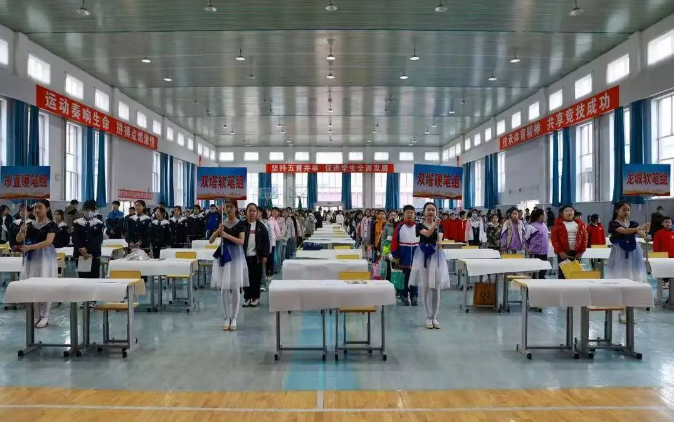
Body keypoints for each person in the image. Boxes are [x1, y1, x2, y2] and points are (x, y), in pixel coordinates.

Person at [16, 199, 57, 328]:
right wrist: (21, 231)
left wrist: (30, 247)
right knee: (33, 284)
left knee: (46, 284)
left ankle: (45, 315)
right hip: (31, 258)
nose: (37, 210)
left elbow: (48, 242)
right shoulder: (29, 224)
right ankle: (36, 314)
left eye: (40, 207)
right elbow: (18, 239)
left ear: (47, 209)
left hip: (46, 257)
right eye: (35, 208)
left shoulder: (51, 225)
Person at [606, 201, 649, 322]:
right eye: (624, 209)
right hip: (619, 253)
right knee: (620, 278)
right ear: (617, 210)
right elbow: (625, 231)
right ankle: (621, 310)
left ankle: (630, 308)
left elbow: (639, 232)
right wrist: (639, 228)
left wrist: (645, 236)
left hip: (634, 253)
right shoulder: (613, 223)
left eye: (628, 210)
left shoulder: (633, 223)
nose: (626, 212)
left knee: (633, 278)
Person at [409, 202, 449, 328]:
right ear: (424, 212)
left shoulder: (440, 226)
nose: (431, 212)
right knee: (425, 287)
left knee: (436, 287)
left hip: (436, 256)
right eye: (428, 210)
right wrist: (434, 226)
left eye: (433, 210)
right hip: (423, 257)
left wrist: (440, 242)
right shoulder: (419, 225)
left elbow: (440, 238)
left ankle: (434, 317)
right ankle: (428, 316)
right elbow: (426, 234)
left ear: (436, 212)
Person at [209, 199, 246, 331]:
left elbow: (241, 241)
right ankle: (226, 317)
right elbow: (211, 241)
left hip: (235, 256)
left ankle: (234, 317)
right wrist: (217, 231)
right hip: (223, 256)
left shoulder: (240, 224)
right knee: (224, 288)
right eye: (226, 207)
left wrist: (226, 235)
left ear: (235, 208)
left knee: (235, 287)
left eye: (230, 207)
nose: (228, 209)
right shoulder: (222, 223)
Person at [390, 205, 420, 306]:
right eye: (408, 212)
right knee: (404, 279)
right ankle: (404, 296)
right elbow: (394, 242)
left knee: (415, 278)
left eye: (412, 212)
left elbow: (422, 242)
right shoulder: (399, 227)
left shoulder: (418, 227)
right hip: (403, 258)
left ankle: (414, 296)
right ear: (403, 215)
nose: (410, 214)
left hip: (416, 258)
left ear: (414, 215)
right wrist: (396, 256)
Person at [242, 203, 270, 307]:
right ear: (246, 212)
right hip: (244, 257)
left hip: (256, 257)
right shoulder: (242, 225)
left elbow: (266, 241)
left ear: (257, 212)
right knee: (245, 278)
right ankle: (247, 297)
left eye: (254, 211)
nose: (252, 213)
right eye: (250, 210)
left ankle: (255, 297)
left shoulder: (260, 226)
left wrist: (265, 255)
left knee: (256, 278)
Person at [551, 205, 588, 279]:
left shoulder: (580, 224)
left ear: (574, 213)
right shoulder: (557, 224)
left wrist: (580, 252)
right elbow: (555, 240)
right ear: (562, 214)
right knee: (563, 274)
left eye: (571, 211)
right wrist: (560, 252)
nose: (569, 212)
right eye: (566, 211)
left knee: (575, 274)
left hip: (576, 253)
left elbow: (585, 239)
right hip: (563, 253)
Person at [71, 200, 104, 279]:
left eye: (91, 210)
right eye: (86, 209)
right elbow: (75, 238)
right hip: (80, 254)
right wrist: (81, 249)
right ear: (83, 210)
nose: (88, 212)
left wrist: (87, 249)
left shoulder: (99, 223)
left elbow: (98, 239)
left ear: (94, 211)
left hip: (94, 253)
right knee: (82, 277)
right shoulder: (76, 223)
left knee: (94, 277)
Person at [525, 209, 550, 279]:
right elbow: (526, 240)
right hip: (535, 253)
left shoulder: (544, 225)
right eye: (544, 214)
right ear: (541, 216)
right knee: (535, 272)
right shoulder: (532, 226)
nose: (546, 216)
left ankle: (541, 284)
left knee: (543, 271)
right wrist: (528, 250)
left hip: (544, 252)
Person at [269, 208, 284, 275]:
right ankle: (273, 267)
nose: (274, 212)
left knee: (278, 254)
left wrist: (278, 237)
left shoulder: (282, 220)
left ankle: (277, 268)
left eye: (276, 211)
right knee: (272, 255)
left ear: (278, 212)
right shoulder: (269, 219)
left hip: (279, 239)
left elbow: (283, 230)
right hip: (272, 240)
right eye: (273, 211)